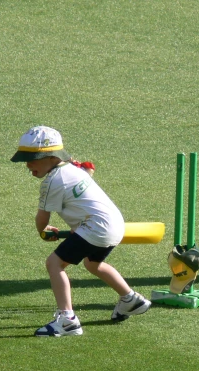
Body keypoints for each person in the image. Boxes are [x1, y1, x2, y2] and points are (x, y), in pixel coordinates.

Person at [10, 126, 151, 337]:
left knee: (54, 263)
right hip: (114, 224)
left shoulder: (52, 181)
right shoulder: (72, 169)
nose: (28, 164)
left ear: (50, 157)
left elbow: (43, 217)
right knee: (93, 264)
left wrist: (43, 230)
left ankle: (67, 320)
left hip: (95, 227)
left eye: (33, 158)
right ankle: (130, 299)